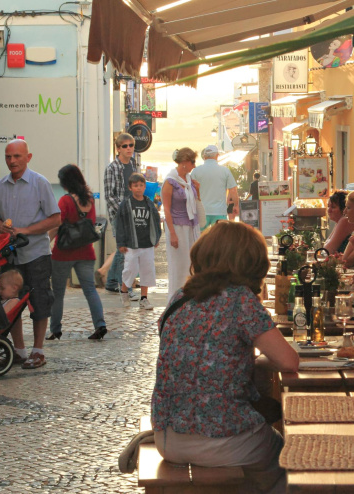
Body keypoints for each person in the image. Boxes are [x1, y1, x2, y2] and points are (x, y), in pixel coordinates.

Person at [152, 222, 299, 494]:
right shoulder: (240, 300)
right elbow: (289, 362)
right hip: (219, 439)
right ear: (250, 263)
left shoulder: (179, 297)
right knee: (291, 458)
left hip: (167, 436)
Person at [0, 139, 61, 369]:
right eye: (8, 157)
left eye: (17, 156)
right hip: (10, 256)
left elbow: (55, 218)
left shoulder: (40, 183)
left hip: (36, 253)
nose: (12, 161)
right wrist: (1, 227)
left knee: (40, 301)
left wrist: (26, 231)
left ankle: (38, 350)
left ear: (28, 157)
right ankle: (19, 350)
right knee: (11, 302)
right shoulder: (1, 186)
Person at [47, 164, 108, 341]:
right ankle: (100, 324)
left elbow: (57, 225)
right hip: (86, 252)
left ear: (66, 183)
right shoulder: (89, 199)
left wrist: (46, 242)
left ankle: (55, 329)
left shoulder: (65, 201)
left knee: (58, 292)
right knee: (90, 290)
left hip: (63, 252)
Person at [115, 173, 162, 310]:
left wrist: (156, 238)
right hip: (131, 244)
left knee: (147, 270)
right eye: (135, 186)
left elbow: (155, 221)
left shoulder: (149, 203)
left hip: (147, 243)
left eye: (141, 185)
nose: (139, 188)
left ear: (145, 186)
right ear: (130, 187)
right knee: (130, 269)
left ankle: (144, 298)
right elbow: (120, 224)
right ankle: (124, 292)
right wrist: (121, 243)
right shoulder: (126, 204)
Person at [102, 133, 140, 292]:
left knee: (123, 248)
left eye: (131, 145)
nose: (129, 148)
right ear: (118, 149)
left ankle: (111, 282)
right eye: (125, 146)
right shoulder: (112, 168)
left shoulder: (133, 165)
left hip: (133, 212)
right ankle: (124, 284)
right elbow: (109, 195)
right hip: (119, 214)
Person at [162, 148, 201, 296]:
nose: (194, 165)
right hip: (178, 227)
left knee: (191, 263)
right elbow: (166, 209)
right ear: (184, 162)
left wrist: (198, 189)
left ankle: (189, 296)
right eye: (192, 162)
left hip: (191, 226)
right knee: (179, 265)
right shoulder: (170, 181)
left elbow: (196, 203)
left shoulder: (189, 180)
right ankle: (176, 297)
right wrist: (172, 233)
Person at [190, 144, 239, 229]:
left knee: (201, 238)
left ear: (204, 156)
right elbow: (233, 190)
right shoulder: (225, 171)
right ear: (217, 156)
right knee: (219, 239)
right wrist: (236, 205)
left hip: (201, 211)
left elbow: (190, 191)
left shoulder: (196, 171)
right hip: (219, 212)